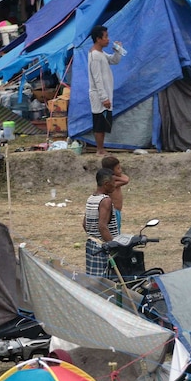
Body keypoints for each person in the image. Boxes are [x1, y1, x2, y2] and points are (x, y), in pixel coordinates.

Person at [88, 25, 123, 156]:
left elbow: (114, 61)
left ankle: (101, 148)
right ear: (98, 39)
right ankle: (99, 149)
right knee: (99, 121)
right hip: (99, 95)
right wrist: (103, 97)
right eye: (106, 37)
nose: (108, 39)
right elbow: (97, 79)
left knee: (103, 122)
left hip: (105, 94)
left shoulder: (101, 54)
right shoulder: (94, 56)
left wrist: (118, 51)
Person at [83, 168, 119, 276]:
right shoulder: (105, 200)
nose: (115, 185)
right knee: (104, 280)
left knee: (94, 279)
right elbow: (102, 227)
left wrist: (94, 236)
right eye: (113, 182)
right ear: (106, 184)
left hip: (91, 244)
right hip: (103, 247)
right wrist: (114, 246)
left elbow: (85, 224)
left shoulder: (91, 198)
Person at [101, 156, 129, 231]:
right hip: (113, 212)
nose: (121, 170)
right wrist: (114, 177)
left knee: (117, 228)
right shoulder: (112, 184)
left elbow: (126, 178)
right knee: (115, 230)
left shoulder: (114, 181)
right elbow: (126, 180)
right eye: (118, 168)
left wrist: (115, 177)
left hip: (117, 211)